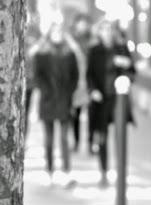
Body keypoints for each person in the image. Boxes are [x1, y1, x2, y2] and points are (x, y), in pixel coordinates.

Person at [86, 19, 135, 187]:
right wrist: (93, 91)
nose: (106, 33)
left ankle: (121, 172)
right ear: (99, 32)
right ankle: (104, 172)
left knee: (119, 135)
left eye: (109, 29)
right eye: (103, 30)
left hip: (117, 99)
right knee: (102, 137)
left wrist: (125, 69)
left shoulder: (121, 48)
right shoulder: (94, 51)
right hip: (101, 100)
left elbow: (132, 72)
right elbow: (89, 74)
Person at [32, 23, 79, 187]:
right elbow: (37, 76)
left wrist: (68, 93)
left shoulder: (69, 52)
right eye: (54, 30)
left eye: (60, 30)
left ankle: (67, 171)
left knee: (65, 138)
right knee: (49, 139)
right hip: (48, 101)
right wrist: (46, 91)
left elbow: (75, 76)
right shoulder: (42, 53)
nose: (57, 33)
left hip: (65, 101)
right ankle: (49, 171)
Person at [69, 13, 92, 153]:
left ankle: (90, 143)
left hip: (89, 81)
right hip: (77, 82)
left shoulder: (91, 40)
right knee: (76, 115)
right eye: (80, 23)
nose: (82, 25)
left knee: (91, 115)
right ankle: (76, 142)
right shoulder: (72, 41)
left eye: (84, 23)